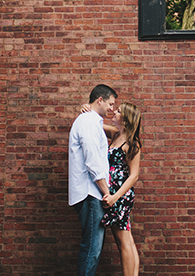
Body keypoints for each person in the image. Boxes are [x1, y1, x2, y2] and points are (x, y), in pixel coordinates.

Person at [69, 84, 117, 276]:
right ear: (100, 100)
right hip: (91, 193)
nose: (112, 108)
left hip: (91, 193)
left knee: (91, 248)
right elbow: (92, 161)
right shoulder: (88, 121)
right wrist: (107, 192)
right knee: (92, 249)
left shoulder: (91, 121)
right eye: (111, 104)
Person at [101, 102, 142, 276]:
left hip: (120, 196)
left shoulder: (132, 143)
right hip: (117, 195)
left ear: (125, 120)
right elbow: (95, 124)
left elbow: (134, 176)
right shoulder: (116, 134)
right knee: (127, 239)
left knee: (122, 240)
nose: (114, 112)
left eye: (118, 111)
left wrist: (114, 197)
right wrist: (86, 108)